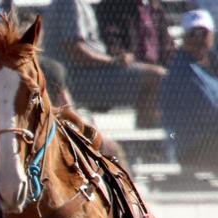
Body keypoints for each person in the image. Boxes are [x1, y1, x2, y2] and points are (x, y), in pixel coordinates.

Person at [43, 0, 165, 127]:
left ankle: (145, 139)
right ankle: (147, 140)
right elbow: (75, 50)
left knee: (154, 75)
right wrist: (113, 61)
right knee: (155, 76)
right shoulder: (69, 4)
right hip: (77, 79)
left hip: (87, 74)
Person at [160, 10, 218, 173]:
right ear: (184, 38)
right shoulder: (183, 71)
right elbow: (210, 111)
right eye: (193, 34)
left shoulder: (207, 63)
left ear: (212, 36)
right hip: (195, 147)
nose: (199, 39)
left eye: (203, 33)